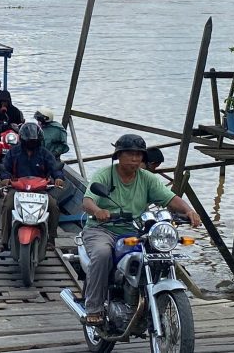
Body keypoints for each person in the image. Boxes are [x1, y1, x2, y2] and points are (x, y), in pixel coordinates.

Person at [81, 134, 201, 326]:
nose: (135, 159)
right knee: (103, 253)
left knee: (159, 254)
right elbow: (88, 200)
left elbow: (170, 198)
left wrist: (189, 211)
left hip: (135, 230)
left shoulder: (147, 178)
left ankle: (145, 299)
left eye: (139, 155)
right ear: (119, 155)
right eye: (130, 154)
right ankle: (93, 308)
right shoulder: (104, 174)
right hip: (102, 229)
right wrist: (98, 211)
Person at [0, 123, 64, 253]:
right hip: (17, 189)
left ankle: (51, 240)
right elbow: (5, 167)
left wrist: (59, 178)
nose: (31, 142)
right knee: (7, 205)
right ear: (22, 139)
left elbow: (55, 167)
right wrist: (5, 178)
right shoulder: (14, 152)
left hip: (40, 190)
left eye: (34, 140)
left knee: (54, 206)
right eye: (29, 140)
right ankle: (4, 240)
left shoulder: (45, 153)